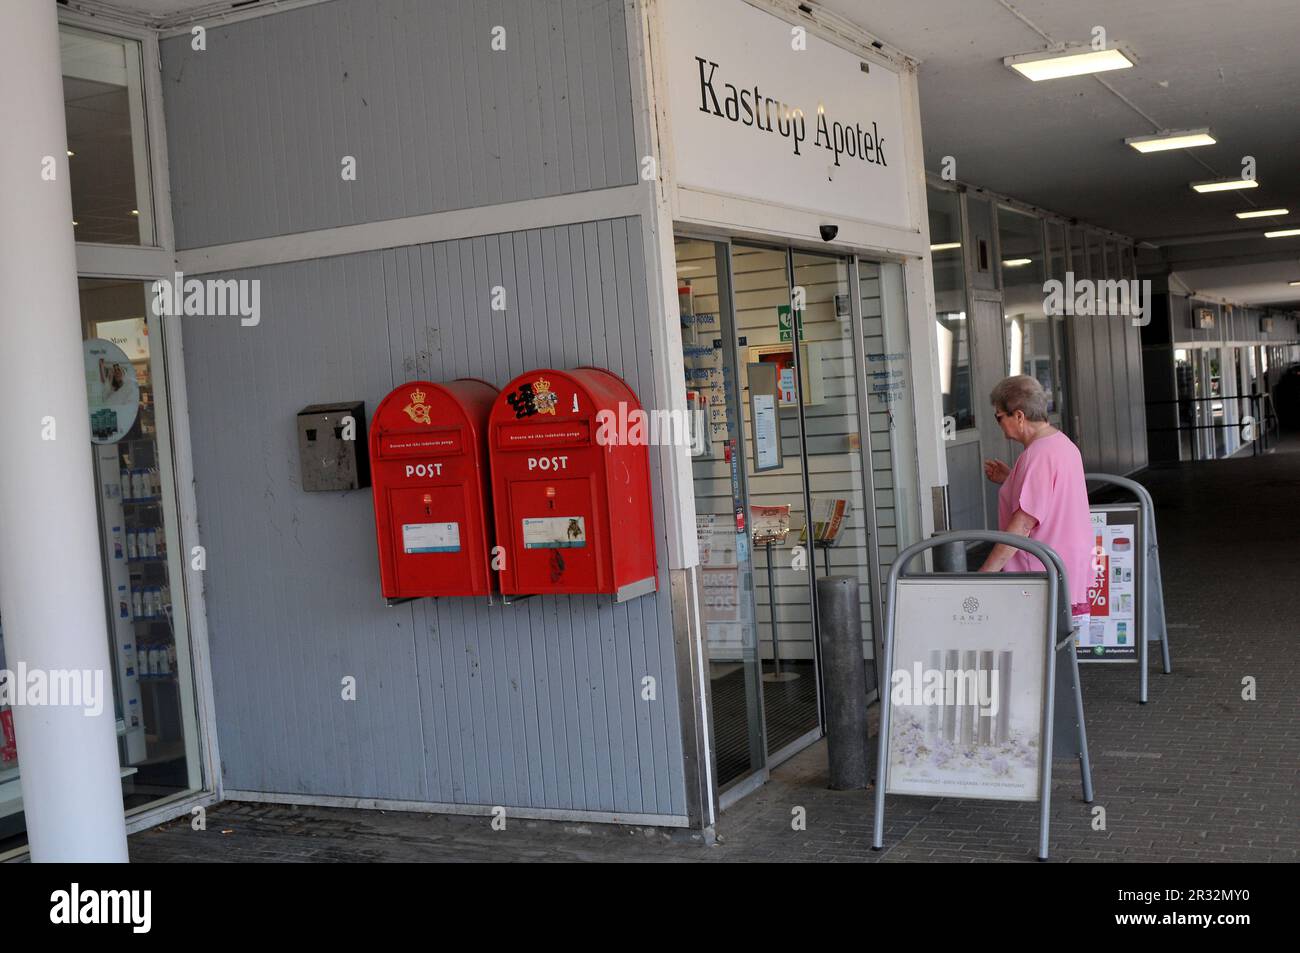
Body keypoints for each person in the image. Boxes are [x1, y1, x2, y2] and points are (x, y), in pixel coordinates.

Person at [978, 375, 1094, 635]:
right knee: (1057, 660)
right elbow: (1052, 498)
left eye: (999, 417)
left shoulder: (1038, 455)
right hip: (1066, 570)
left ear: (1018, 416)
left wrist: (985, 574)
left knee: (1035, 659)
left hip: (1040, 575)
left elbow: (1022, 525)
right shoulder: (1062, 445)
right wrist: (1011, 480)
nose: (998, 424)